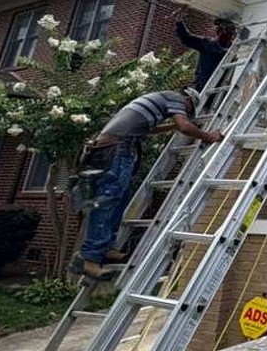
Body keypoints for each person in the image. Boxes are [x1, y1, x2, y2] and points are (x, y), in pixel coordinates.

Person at [70, 88, 222, 279]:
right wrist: (209, 136)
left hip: (115, 149)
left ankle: (106, 248)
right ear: (188, 101)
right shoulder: (177, 98)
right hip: (115, 151)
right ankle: (89, 258)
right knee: (107, 202)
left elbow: (151, 130)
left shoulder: (157, 101)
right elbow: (184, 126)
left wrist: (170, 127)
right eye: (188, 110)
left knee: (120, 199)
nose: (185, 113)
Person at [176, 14, 246, 91]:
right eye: (219, 29)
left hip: (209, 87)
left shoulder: (210, 46)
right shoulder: (211, 46)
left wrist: (179, 23)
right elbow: (187, 39)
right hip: (208, 87)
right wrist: (179, 23)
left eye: (222, 29)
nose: (219, 31)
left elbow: (187, 39)